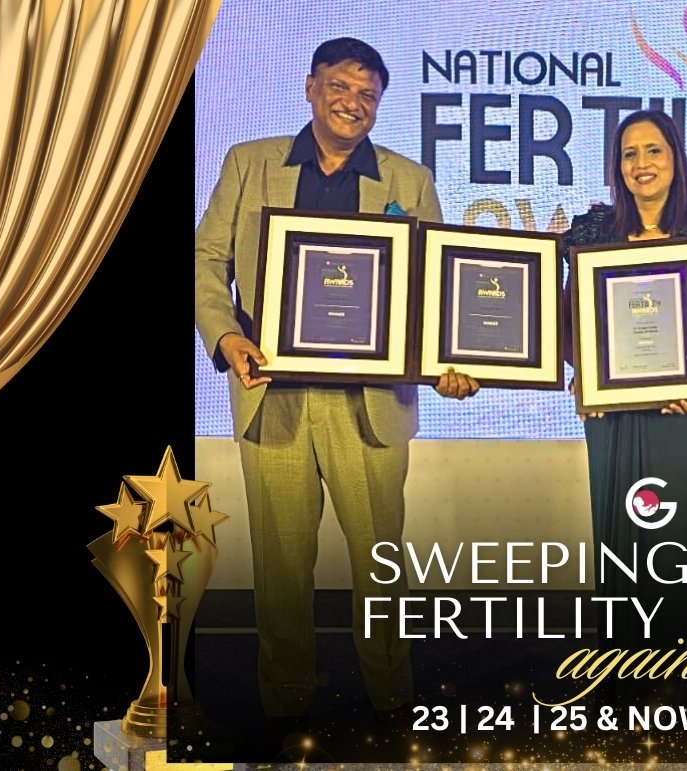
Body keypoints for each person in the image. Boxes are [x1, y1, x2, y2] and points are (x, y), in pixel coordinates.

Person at [194, 37, 478, 745]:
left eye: (368, 95)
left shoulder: (408, 179)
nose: (353, 103)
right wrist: (226, 338)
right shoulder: (250, 163)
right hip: (275, 396)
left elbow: (433, 286)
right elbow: (207, 259)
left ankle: (392, 700)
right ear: (311, 87)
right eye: (340, 87)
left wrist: (450, 360)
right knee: (281, 568)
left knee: (381, 564)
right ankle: (288, 704)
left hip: (371, 405)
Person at [561, 110, 687, 702]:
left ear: (676, 159)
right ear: (617, 166)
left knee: (667, 532)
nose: (642, 163)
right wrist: (587, 374)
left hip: (681, 411)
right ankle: (615, 665)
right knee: (616, 535)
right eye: (629, 153)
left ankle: (664, 665)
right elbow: (568, 326)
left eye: (654, 150)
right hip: (609, 411)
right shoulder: (592, 233)